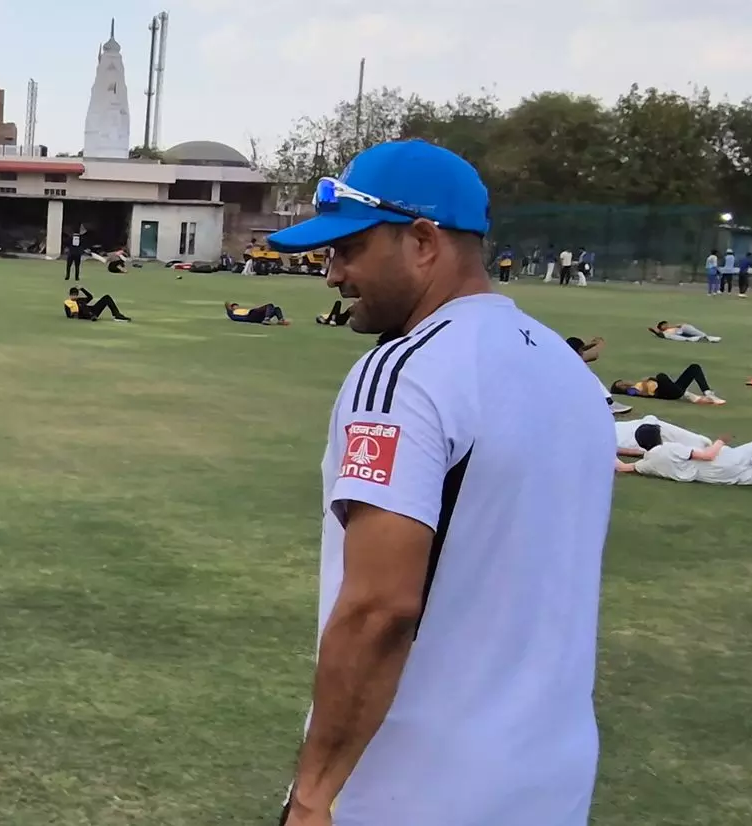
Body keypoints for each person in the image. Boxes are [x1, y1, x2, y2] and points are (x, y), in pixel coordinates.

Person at [263, 140, 611, 826]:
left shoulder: (405, 371)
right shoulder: (567, 370)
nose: (333, 275)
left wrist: (312, 795)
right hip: (552, 778)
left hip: (416, 786)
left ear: (423, 242)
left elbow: (379, 609)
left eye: (349, 250)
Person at [616, 429, 752, 485]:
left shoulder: (648, 464)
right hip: (724, 461)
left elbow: (623, 467)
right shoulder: (669, 448)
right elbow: (708, 456)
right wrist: (720, 441)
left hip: (717, 477)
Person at [565, 336, 633, 414]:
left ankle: (607, 402)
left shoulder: (565, 355)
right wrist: (597, 345)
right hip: (570, 392)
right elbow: (594, 356)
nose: (582, 352)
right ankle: (608, 403)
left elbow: (578, 351)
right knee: (591, 377)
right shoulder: (572, 361)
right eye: (581, 350)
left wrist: (593, 344)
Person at [609, 363, 727, 404]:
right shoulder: (631, 391)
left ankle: (708, 393)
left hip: (672, 389)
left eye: (621, 381)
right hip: (665, 393)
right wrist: (646, 381)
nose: (624, 382)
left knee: (694, 367)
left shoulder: (635, 384)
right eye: (621, 384)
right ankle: (690, 396)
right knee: (661, 375)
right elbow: (645, 394)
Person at [613, 414, 711, 458]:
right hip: (640, 441)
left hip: (646, 426)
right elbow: (617, 449)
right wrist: (642, 453)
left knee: (699, 442)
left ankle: (704, 448)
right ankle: (703, 451)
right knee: (680, 450)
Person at [64, 286, 131, 321]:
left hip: (93, 311)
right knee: (81, 304)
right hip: (84, 315)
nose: (74, 296)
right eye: (73, 295)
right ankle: (91, 316)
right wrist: (74, 314)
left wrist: (82, 289)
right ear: (70, 295)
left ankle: (117, 314)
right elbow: (68, 315)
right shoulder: (67, 302)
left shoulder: (80, 300)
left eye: (75, 295)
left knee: (107, 297)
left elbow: (90, 297)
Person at [650, 320, 721, 342]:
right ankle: (700, 338)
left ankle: (705, 336)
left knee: (685, 326)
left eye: (666, 324)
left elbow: (679, 326)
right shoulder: (664, 333)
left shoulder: (671, 327)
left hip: (681, 331)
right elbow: (657, 333)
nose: (666, 325)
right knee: (686, 338)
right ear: (660, 327)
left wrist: (674, 326)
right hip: (675, 335)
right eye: (663, 325)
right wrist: (655, 330)